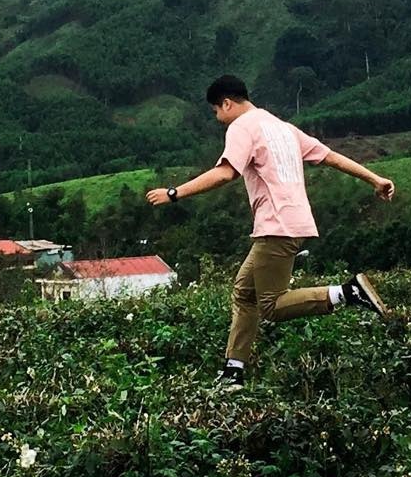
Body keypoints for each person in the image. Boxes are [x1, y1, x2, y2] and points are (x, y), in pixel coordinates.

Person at [146, 75, 395, 384]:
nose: (218, 119)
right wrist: (375, 178)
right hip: (293, 222)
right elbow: (329, 157)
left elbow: (225, 173)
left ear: (227, 103)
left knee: (272, 306)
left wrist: (174, 193)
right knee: (244, 291)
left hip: (277, 225)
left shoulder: (242, 127)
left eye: (216, 111)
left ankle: (347, 292)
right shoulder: (282, 127)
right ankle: (233, 371)